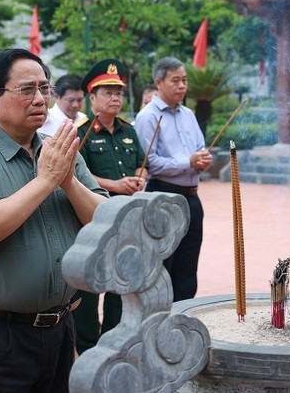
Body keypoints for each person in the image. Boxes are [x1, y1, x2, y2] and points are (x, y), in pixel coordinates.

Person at [0, 48, 107, 392]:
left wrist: (68, 181)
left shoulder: (59, 152)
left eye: (44, 88)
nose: (40, 99)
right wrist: (45, 181)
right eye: (27, 89)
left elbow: (105, 222)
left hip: (59, 329)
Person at [74, 58, 147, 353]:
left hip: (126, 217)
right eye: (107, 93)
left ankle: (113, 339)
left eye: (118, 93)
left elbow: (141, 163)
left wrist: (140, 178)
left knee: (121, 280)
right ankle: (87, 345)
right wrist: (115, 185)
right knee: (89, 282)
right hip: (93, 218)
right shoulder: (82, 133)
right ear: (92, 98)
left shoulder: (128, 131)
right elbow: (76, 175)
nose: (115, 98)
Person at [134, 56, 212, 302]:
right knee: (163, 263)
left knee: (188, 264)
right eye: (175, 80)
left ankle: (184, 312)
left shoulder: (188, 114)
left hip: (192, 198)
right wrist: (188, 162)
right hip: (163, 197)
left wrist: (203, 160)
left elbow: (199, 149)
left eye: (184, 80)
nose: (182, 86)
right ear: (159, 82)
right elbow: (149, 162)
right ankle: (160, 316)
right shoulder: (148, 117)